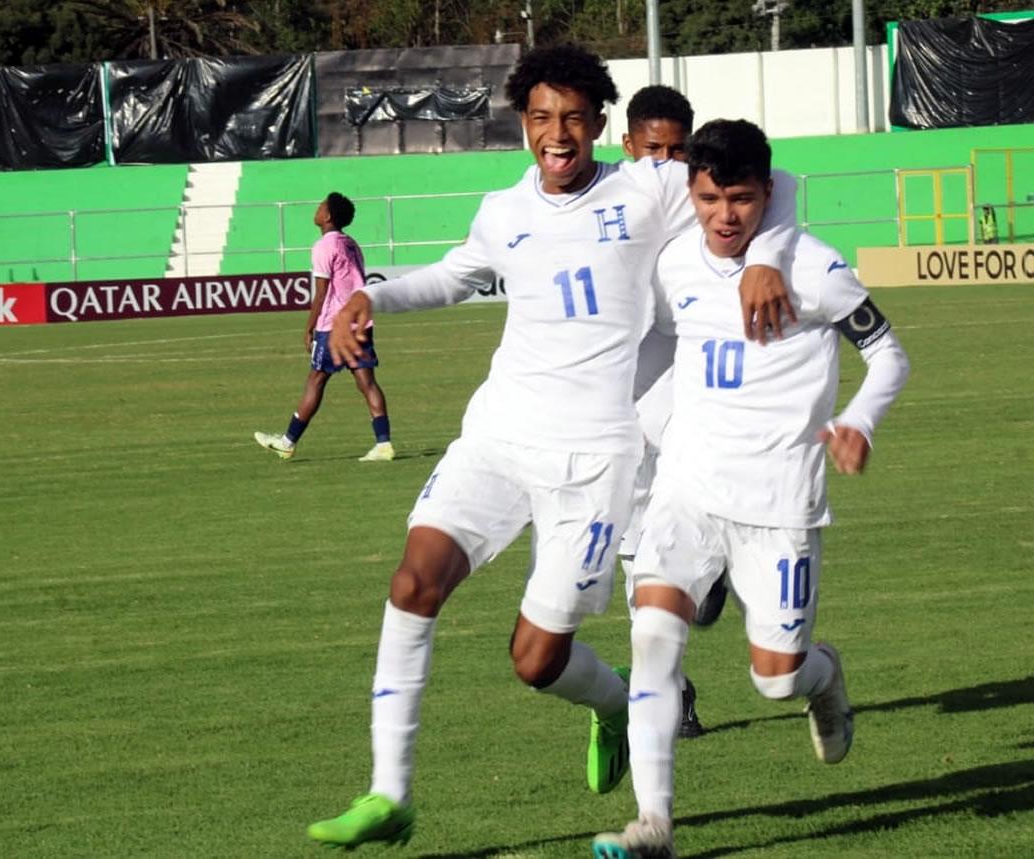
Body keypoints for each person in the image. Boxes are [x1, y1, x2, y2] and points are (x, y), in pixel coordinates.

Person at [306, 46, 797, 851]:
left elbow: (773, 188)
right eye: (541, 117)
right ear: (523, 124)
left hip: (593, 461)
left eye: (572, 117)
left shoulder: (649, 188)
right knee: (412, 580)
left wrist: (765, 263)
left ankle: (608, 704)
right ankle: (388, 793)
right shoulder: (504, 211)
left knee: (535, 659)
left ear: (601, 124)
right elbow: (459, 275)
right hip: (497, 435)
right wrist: (373, 295)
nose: (556, 134)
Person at [592, 119, 911, 859]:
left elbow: (889, 354)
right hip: (688, 490)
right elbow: (657, 340)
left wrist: (858, 418)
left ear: (768, 193)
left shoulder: (818, 269)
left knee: (775, 678)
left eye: (740, 199)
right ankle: (654, 823)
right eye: (709, 199)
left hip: (779, 505)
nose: (724, 216)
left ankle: (823, 678)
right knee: (652, 638)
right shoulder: (675, 265)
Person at [618, 84, 721, 741]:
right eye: (652, 149)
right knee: (633, 553)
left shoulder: (706, 196)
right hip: (621, 378)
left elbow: (783, 184)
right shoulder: (605, 196)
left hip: (685, 360)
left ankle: (713, 567)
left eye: (676, 150)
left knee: (695, 487)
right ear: (627, 146)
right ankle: (673, 690)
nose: (664, 162)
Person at [253, 192, 394, 463]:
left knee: (316, 379)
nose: (316, 210)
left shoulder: (324, 246)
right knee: (367, 382)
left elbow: (321, 293)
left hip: (335, 325)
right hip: (360, 320)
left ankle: (287, 442)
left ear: (327, 216)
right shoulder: (350, 244)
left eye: (320, 206)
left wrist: (309, 328)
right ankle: (384, 444)